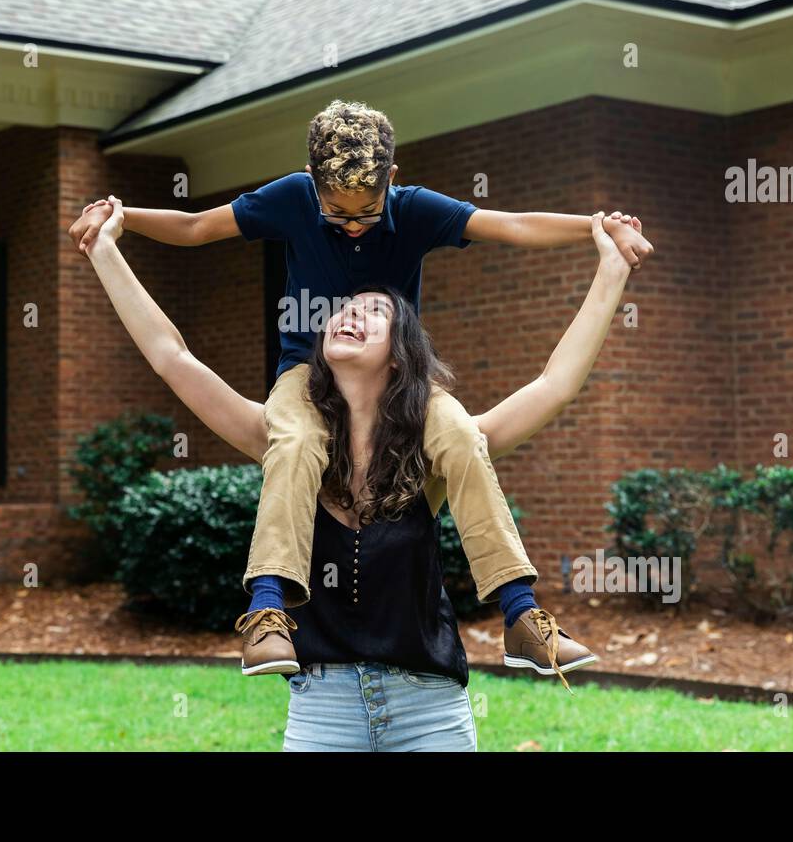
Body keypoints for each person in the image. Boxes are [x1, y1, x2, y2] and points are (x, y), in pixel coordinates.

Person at [69, 99, 653, 683]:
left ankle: (521, 612)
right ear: (311, 184)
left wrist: (598, 232)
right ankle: (268, 606)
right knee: (295, 440)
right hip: (302, 378)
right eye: (336, 212)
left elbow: (517, 238)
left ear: (391, 182)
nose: (351, 225)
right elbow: (191, 256)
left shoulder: (417, 216)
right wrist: (119, 225)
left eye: (367, 213)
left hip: (410, 388)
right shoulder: (291, 201)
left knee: (462, 438)